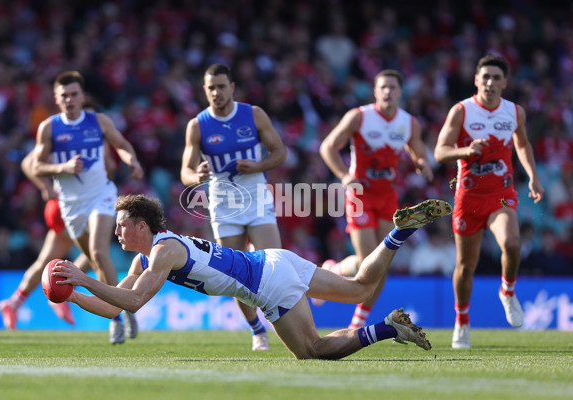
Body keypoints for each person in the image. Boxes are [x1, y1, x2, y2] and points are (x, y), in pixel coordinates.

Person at [51, 194, 452, 360]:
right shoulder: (150, 257)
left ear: (141, 225)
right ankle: (398, 235)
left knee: (311, 351)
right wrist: (71, 295)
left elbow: (134, 302)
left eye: (121, 225)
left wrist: (83, 279)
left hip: (265, 283)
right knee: (360, 288)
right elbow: (113, 306)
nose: (116, 232)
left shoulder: (164, 251)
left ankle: (386, 329)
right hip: (272, 261)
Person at [433, 54, 544, 349]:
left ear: (505, 83)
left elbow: (522, 143)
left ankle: (507, 291)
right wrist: (465, 151)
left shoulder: (514, 112)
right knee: (466, 266)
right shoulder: (462, 112)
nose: (490, 83)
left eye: (496, 78)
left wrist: (532, 175)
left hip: (500, 195)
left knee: (512, 243)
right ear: (476, 80)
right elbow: (440, 152)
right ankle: (462, 322)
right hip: (468, 197)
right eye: (485, 77)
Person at [29, 71, 145, 344]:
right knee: (94, 259)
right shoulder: (49, 127)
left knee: (98, 250)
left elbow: (122, 144)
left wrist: (133, 161)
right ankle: (122, 308)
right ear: (56, 99)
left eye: (74, 94)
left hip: (101, 196)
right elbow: (35, 166)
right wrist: (62, 168)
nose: (69, 99)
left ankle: (116, 313)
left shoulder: (99, 121)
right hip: (70, 205)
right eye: (64, 95)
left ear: (83, 97)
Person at [180, 64, 287, 351]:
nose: (216, 92)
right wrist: (197, 177)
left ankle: (287, 326)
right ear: (205, 90)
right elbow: (185, 172)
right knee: (236, 274)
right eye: (211, 87)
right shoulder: (198, 125)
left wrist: (259, 165)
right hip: (223, 203)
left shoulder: (253, 114)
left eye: (221, 86)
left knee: (274, 264)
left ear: (232, 87)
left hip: (255, 196)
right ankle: (256, 330)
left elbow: (280, 152)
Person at [319, 69, 433, 329]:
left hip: (387, 197)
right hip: (359, 194)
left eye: (392, 87)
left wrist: (422, 163)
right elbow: (327, 147)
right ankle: (348, 302)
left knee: (380, 263)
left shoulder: (409, 123)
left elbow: (418, 151)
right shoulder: (359, 117)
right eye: (383, 87)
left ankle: (355, 314)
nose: (387, 92)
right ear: (375, 91)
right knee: (369, 259)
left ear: (400, 92)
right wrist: (343, 175)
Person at [0, 100, 122, 331]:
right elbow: (28, 163)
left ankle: (14, 302)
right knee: (95, 252)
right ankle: (69, 294)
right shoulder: (67, 136)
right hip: (66, 206)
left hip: (69, 206)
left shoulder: (94, 140)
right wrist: (44, 186)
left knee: (51, 259)